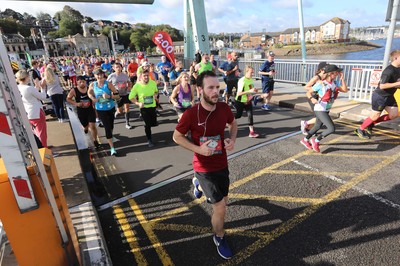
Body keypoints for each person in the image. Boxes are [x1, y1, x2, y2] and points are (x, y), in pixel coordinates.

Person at [172, 70, 237, 260]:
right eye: (211, 88)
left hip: (221, 164)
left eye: (217, 87)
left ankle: (197, 185)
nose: (216, 91)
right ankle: (219, 236)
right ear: (199, 89)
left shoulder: (224, 108)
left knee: (224, 201)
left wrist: (232, 140)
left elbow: (233, 125)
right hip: (203, 168)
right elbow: (176, 137)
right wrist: (199, 150)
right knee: (220, 208)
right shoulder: (191, 114)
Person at [300, 64, 348, 153]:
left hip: (326, 109)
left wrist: (342, 79)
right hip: (320, 108)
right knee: (331, 128)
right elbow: (308, 92)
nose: (338, 73)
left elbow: (345, 90)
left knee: (318, 125)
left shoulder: (335, 83)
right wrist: (312, 98)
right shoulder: (321, 84)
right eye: (337, 72)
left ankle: (305, 140)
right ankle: (316, 141)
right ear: (331, 74)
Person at [354, 49, 400, 139]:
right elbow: (382, 86)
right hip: (380, 96)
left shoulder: (398, 69)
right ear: (396, 58)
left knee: (394, 114)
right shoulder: (388, 71)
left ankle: (370, 124)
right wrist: (397, 84)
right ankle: (360, 129)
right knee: (375, 116)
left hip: (389, 96)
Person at [88, 68, 120, 156]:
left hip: (110, 108)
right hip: (101, 110)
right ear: (95, 76)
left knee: (111, 125)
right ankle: (112, 148)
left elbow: (117, 95)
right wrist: (93, 98)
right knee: (107, 127)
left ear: (103, 75)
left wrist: (109, 96)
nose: (99, 76)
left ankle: (111, 136)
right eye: (97, 75)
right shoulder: (92, 85)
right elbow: (89, 93)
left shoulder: (108, 84)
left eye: (101, 75)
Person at [15, 69, 48, 148]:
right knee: (41, 133)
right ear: (26, 77)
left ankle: (39, 149)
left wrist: (36, 88)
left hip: (27, 113)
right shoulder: (29, 88)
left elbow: (30, 96)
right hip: (37, 112)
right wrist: (42, 88)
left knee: (34, 134)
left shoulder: (17, 87)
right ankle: (45, 150)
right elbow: (43, 97)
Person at [66, 76, 100, 149]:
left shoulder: (89, 89)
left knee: (92, 126)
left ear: (85, 82)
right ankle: (85, 128)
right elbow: (68, 99)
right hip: (81, 111)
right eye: (80, 82)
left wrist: (95, 107)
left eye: (83, 82)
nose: (82, 83)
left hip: (90, 110)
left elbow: (94, 97)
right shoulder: (74, 90)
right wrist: (76, 104)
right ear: (77, 83)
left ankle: (95, 141)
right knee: (85, 125)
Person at [128, 69, 159, 148]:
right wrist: (138, 103)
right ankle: (149, 140)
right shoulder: (137, 86)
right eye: (144, 76)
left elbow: (156, 91)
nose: (146, 77)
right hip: (144, 108)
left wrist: (155, 95)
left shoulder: (152, 83)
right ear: (141, 77)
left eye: (147, 75)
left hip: (152, 106)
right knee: (147, 125)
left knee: (153, 124)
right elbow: (131, 97)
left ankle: (148, 127)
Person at [300, 62, 328, 135]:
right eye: (326, 67)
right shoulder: (316, 78)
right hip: (312, 97)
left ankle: (309, 129)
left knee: (318, 116)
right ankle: (305, 123)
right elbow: (306, 87)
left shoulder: (326, 77)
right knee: (319, 116)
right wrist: (316, 89)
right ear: (322, 69)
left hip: (319, 98)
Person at [235, 66, 260, 138]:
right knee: (238, 115)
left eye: (253, 72)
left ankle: (251, 132)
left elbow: (250, 88)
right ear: (246, 72)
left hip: (248, 101)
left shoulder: (250, 79)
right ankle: (228, 120)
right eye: (251, 72)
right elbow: (239, 93)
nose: (252, 74)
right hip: (240, 101)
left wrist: (254, 90)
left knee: (250, 115)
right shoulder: (242, 81)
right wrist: (249, 91)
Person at [107, 62, 133, 129]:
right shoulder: (111, 76)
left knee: (127, 107)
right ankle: (117, 112)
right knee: (120, 111)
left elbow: (129, 82)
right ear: (114, 68)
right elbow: (107, 85)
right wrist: (111, 91)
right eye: (116, 67)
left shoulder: (125, 75)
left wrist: (129, 87)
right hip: (117, 95)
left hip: (125, 93)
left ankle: (127, 123)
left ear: (121, 67)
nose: (118, 68)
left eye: (119, 67)